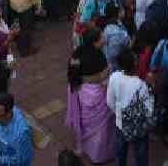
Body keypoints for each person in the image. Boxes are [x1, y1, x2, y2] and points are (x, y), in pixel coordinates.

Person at [65, 28, 115, 164]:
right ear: (95, 42)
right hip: (97, 95)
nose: (104, 39)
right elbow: (104, 77)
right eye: (101, 38)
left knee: (85, 123)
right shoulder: (99, 56)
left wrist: (81, 81)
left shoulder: (77, 53)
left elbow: (72, 71)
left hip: (82, 93)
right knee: (101, 128)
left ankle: (83, 147)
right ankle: (98, 156)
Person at [106, 48, 152, 166]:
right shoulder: (141, 85)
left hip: (120, 124)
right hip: (138, 127)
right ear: (134, 65)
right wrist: (150, 88)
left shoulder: (114, 77)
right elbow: (148, 111)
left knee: (120, 154)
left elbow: (110, 102)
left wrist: (119, 114)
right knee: (140, 156)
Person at [0, 93, 33, 166]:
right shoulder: (0, 111)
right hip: (1, 154)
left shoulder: (21, 134)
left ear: (8, 114)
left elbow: (21, 159)